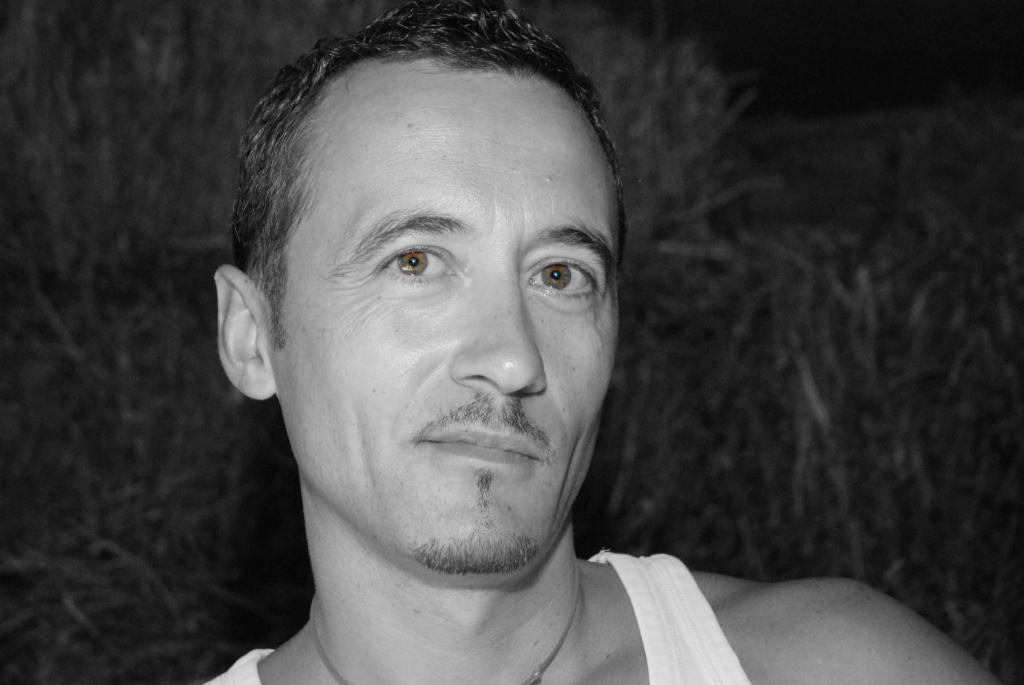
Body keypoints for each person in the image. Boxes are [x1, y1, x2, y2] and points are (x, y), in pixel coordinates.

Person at [207, 1, 1001, 683]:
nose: (514, 359)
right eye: (415, 262)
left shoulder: (842, 665)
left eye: (560, 275)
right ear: (250, 337)